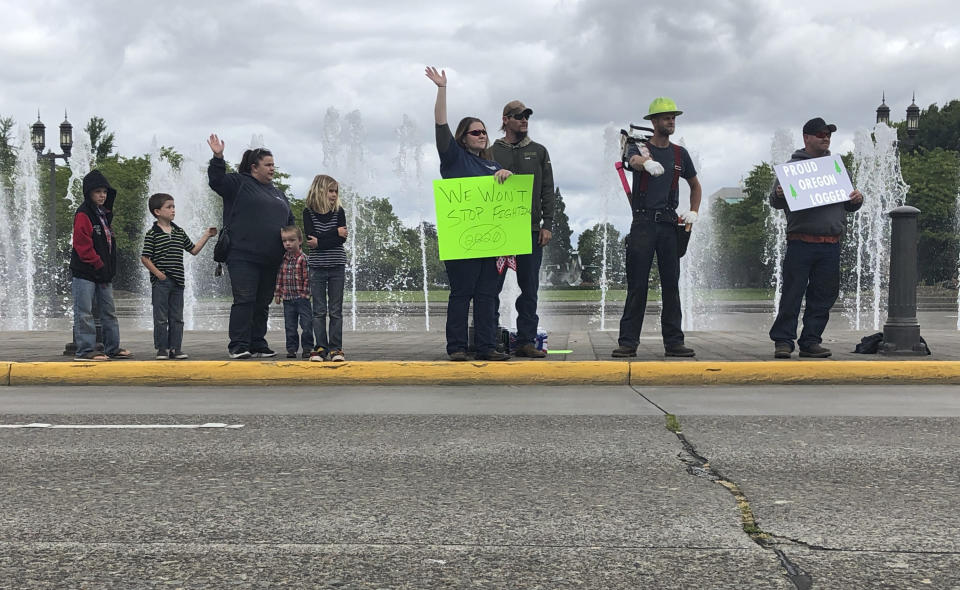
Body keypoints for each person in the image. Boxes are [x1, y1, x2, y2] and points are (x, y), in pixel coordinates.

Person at [426, 65, 513, 362]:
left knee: (488, 295)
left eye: (485, 132)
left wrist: (505, 176)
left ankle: (487, 346)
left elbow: (505, 205)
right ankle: (457, 347)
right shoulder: (453, 159)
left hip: (490, 242)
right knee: (462, 293)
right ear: (463, 137)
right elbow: (440, 125)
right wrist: (442, 89)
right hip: (462, 241)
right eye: (476, 132)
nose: (482, 136)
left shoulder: (492, 166)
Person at [612, 97, 701, 358]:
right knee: (637, 284)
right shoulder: (638, 147)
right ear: (653, 121)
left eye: (673, 117)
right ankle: (628, 342)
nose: (671, 121)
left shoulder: (679, 153)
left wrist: (694, 210)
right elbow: (634, 161)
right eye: (665, 117)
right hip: (642, 223)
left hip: (668, 224)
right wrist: (646, 164)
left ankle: (674, 342)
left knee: (671, 284)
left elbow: (695, 185)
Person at [769, 117, 864, 359]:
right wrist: (779, 193)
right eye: (820, 134)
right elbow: (775, 201)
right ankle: (783, 341)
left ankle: (811, 341)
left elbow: (849, 205)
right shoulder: (792, 168)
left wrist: (857, 200)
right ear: (807, 138)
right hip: (801, 241)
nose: (825, 138)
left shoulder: (838, 169)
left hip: (830, 244)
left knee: (823, 296)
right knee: (792, 294)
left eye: (828, 134)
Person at [207, 135, 295, 359]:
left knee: (262, 302)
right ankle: (238, 345)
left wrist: (293, 243)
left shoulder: (278, 193)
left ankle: (258, 342)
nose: (272, 169)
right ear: (254, 167)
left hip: (271, 258)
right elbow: (216, 181)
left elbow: (289, 222)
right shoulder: (239, 183)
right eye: (268, 165)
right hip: (243, 256)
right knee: (245, 299)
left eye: (274, 165)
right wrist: (218, 157)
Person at [491, 100, 555, 358]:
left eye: (526, 116)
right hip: (497, 233)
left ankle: (526, 341)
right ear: (505, 119)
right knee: (490, 287)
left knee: (529, 288)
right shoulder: (491, 150)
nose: (524, 120)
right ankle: (490, 338)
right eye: (518, 116)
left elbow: (547, 190)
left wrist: (547, 224)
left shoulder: (539, 151)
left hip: (529, 231)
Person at [140, 193, 217, 360]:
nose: (173, 210)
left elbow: (193, 250)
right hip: (161, 282)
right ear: (157, 211)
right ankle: (162, 349)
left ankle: (176, 348)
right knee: (161, 317)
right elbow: (145, 257)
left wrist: (206, 235)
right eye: (169, 207)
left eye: (173, 206)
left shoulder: (178, 231)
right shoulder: (152, 233)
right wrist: (158, 274)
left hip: (178, 281)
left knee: (177, 317)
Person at [70, 169, 133, 361]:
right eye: (98, 192)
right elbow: (82, 246)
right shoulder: (83, 214)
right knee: (84, 313)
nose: (102, 195)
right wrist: (99, 264)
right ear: (89, 193)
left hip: (103, 272)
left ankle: (112, 347)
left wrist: (108, 268)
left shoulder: (104, 215)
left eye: (104, 192)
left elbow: (108, 245)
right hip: (85, 273)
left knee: (109, 311)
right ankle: (85, 351)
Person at [303, 174, 348, 363]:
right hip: (317, 267)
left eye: (335, 191)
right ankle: (320, 347)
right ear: (320, 190)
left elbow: (342, 238)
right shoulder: (308, 212)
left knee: (336, 310)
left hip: (337, 265)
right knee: (319, 310)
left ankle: (336, 349)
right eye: (330, 190)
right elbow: (311, 240)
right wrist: (332, 234)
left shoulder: (339, 211)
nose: (333, 195)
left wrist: (322, 240)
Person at [274, 225, 314, 359]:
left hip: (301, 298)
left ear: (300, 241)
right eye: (285, 241)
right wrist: (278, 293)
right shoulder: (283, 259)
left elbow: (307, 278)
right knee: (290, 326)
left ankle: (307, 347)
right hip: (287, 299)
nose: (288, 244)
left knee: (307, 325)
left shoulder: (304, 259)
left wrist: (305, 294)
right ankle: (291, 349)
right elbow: (280, 277)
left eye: (291, 240)